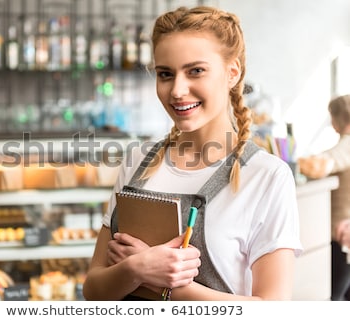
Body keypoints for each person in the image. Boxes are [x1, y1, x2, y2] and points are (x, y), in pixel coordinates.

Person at [83, 6, 302, 301]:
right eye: (165, 74)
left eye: (195, 71)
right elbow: (94, 290)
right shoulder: (138, 161)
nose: (177, 90)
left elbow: (273, 310)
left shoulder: (267, 176)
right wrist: (135, 268)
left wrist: (165, 282)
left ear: (232, 73)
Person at [298, 94, 350, 301]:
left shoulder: (346, 146)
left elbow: (322, 165)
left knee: (334, 297)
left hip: (341, 236)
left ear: (338, 118)